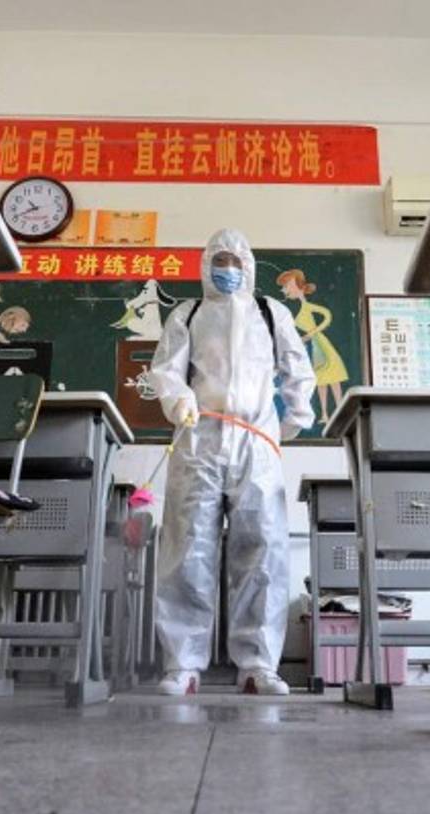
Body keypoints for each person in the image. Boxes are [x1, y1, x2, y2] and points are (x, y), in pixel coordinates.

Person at [148, 228, 315, 696]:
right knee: (188, 550)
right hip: (198, 440)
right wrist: (178, 399)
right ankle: (182, 664)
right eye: (219, 261)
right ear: (205, 265)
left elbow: (297, 368)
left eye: (235, 261)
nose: (227, 270)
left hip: (256, 441)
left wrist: (292, 422)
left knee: (262, 549)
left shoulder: (270, 312)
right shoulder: (190, 312)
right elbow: (165, 369)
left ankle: (258, 664)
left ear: (249, 266)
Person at [277, 268, 349, 425]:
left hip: (321, 344)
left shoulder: (307, 306)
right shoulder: (291, 309)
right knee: (321, 381)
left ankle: (340, 410)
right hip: (313, 347)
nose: (285, 290)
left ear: (299, 286)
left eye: (287, 285)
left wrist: (311, 333)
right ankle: (325, 414)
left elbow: (327, 316)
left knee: (333, 378)